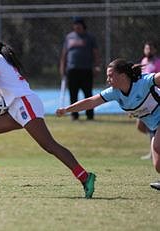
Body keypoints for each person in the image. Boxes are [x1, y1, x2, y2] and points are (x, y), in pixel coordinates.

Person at [0, 34, 96, 198]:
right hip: (18, 105)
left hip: (24, 104)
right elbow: (0, 90)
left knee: (49, 145)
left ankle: (85, 177)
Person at [56, 58, 160, 191]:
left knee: (157, 146)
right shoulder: (114, 92)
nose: (107, 79)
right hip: (155, 126)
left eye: (111, 76)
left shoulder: (144, 82)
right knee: (157, 165)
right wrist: (67, 110)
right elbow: (91, 101)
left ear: (123, 76)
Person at [59, 16, 101, 121]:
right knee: (73, 93)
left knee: (88, 94)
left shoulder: (89, 37)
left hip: (86, 70)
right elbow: (64, 54)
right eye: (75, 24)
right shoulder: (69, 37)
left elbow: (95, 53)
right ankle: (74, 115)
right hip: (72, 69)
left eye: (79, 24)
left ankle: (90, 115)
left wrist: (96, 66)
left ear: (83, 25)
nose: (77, 26)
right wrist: (62, 67)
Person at [137, 41, 160, 160]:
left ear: (155, 50)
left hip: (154, 98)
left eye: (150, 48)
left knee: (152, 126)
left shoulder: (158, 62)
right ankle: (154, 144)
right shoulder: (143, 62)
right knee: (140, 126)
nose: (148, 50)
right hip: (143, 99)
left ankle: (154, 153)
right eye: (146, 48)